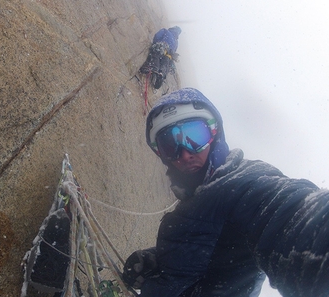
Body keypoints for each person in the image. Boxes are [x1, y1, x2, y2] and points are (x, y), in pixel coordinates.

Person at [123, 87, 329, 297]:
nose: (184, 153)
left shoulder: (245, 182)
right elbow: (210, 253)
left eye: (195, 136)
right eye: (169, 145)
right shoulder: (199, 192)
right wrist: (157, 260)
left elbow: (290, 215)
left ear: (215, 134)